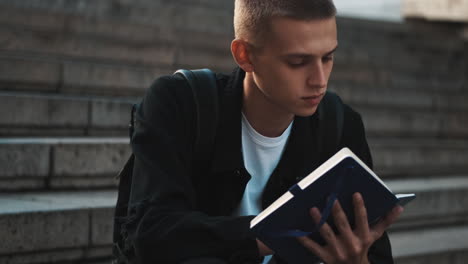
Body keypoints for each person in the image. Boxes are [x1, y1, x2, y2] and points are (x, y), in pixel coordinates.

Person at [124, 0, 403, 263]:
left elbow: (375, 253)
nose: (319, 81)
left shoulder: (341, 124)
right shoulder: (180, 102)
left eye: (327, 57)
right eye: (297, 62)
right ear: (245, 55)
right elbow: (150, 231)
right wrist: (276, 232)